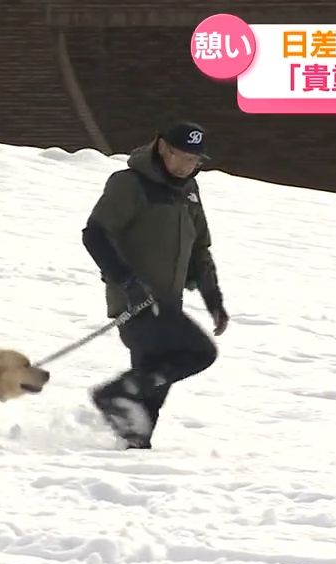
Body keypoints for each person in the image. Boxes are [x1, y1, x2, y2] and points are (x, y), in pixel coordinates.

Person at [81, 121, 229, 449]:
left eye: (196, 161)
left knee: (148, 401)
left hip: (168, 302)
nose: (189, 166)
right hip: (136, 302)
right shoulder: (129, 184)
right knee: (199, 353)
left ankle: (133, 450)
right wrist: (127, 281)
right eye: (183, 157)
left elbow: (199, 250)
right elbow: (95, 234)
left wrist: (213, 299)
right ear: (162, 147)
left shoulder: (188, 191)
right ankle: (114, 393)